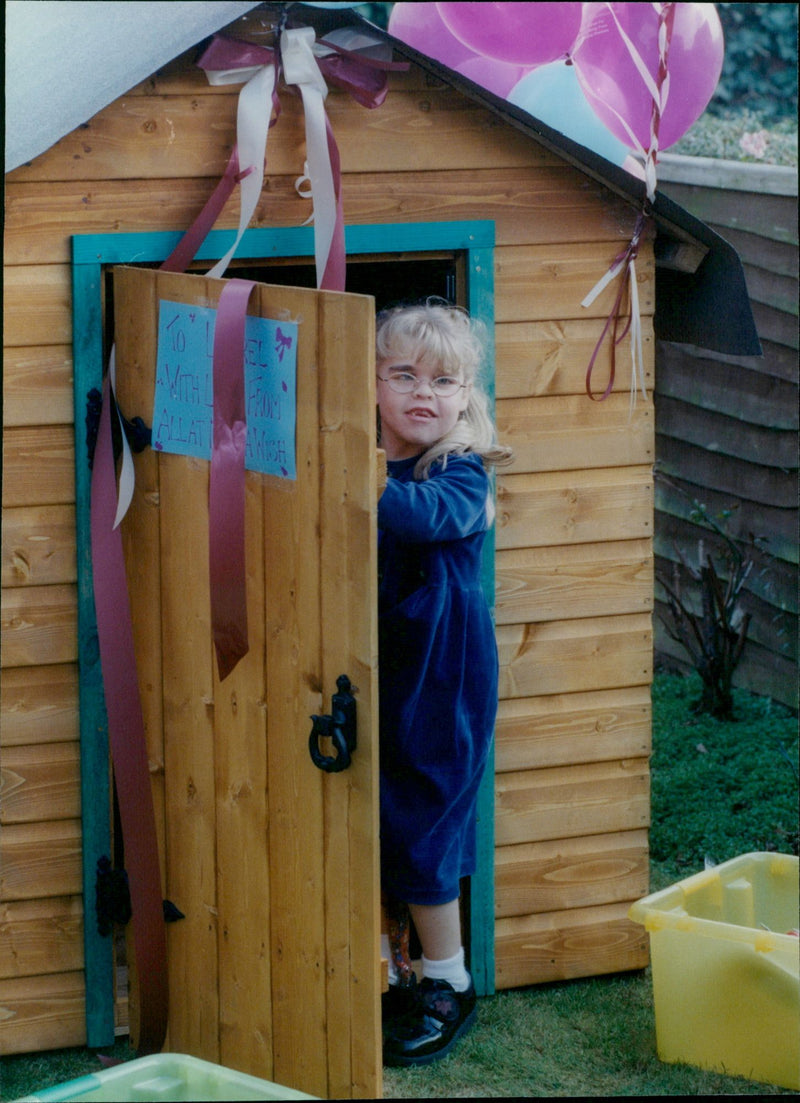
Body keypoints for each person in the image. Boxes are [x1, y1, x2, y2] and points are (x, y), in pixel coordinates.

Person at [376, 300, 513, 1067]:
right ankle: (396, 966)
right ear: (372, 384)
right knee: (380, 812)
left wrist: (350, 474)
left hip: (445, 673)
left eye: (444, 379)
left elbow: (419, 517)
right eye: (404, 374)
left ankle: (448, 982)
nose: (423, 392)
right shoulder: (369, 463)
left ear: (467, 397)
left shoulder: (459, 473)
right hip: (381, 664)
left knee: (427, 820)